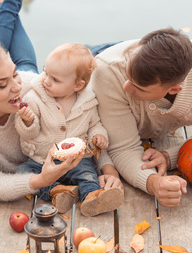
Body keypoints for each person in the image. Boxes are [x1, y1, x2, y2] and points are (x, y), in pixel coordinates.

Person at [0, 0, 122, 203]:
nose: (16, 87)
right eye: (3, 84)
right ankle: (9, 0)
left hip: (32, 77)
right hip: (34, 166)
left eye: (13, 75)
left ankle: (9, 2)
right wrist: (40, 181)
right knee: (0, 57)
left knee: (26, 65)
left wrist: (108, 168)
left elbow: (80, 121)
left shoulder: (34, 86)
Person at [88, 28, 192, 207]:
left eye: (139, 88)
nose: (126, 88)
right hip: (99, 60)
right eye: (128, 78)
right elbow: (123, 148)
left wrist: (169, 157)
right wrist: (153, 183)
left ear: (174, 89)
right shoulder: (108, 73)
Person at [15, 42, 124, 217]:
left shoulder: (87, 102)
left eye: (55, 79)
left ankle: (92, 197)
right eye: (46, 72)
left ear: (78, 86)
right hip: (42, 159)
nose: (46, 81)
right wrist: (28, 122)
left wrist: (98, 135)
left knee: (87, 173)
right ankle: (58, 191)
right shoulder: (35, 98)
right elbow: (29, 134)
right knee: (23, 172)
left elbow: (95, 124)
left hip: (75, 160)